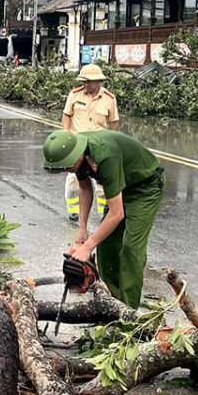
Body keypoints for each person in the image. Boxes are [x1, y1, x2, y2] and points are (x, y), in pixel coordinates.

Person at [42, 129, 165, 309]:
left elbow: (116, 213)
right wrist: (82, 228)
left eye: (68, 166)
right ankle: (112, 301)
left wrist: (87, 247)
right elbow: (85, 188)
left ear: (77, 154)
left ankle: (128, 311)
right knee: (106, 246)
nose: (67, 170)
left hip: (145, 187)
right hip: (120, 188)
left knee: (131, 248)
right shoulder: (77, 154)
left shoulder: (105, 156)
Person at [62, 64, 119, 222]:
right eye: (83, 81)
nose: (85, 84)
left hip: (99, 148)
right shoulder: (75, 95)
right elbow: (66, 115)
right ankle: (73, 212)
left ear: (98, 81)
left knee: (101, 182)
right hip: (77, 146)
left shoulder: (109, 99)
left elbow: (114, 123)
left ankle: (103, 214)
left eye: (89, 81)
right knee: (73, 179)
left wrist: (113, 145)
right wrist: (67, 135)